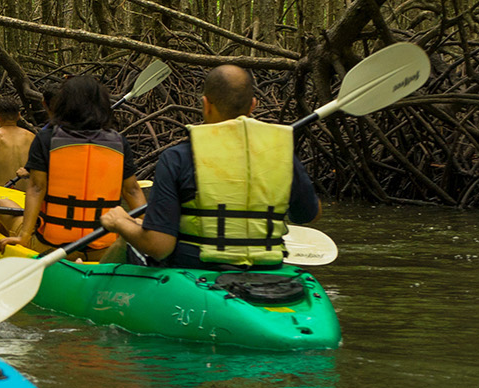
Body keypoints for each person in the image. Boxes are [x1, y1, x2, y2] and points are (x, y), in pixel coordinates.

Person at [96, 65, 321, 270]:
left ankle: (91, 278)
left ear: (205, 104)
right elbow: (307, 214)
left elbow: (159, 245)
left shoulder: (177, 157)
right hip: (269, 270)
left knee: (128, 235)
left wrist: (120, 223)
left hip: (196, 270)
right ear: (253, 106)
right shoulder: (280, 153)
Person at [0, 75, 146, 261]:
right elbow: (132, 190)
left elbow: (36, 188)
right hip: (103, 248)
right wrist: (146, 237)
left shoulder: (46, 139)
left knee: (2, 204)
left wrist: (24, 236)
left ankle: (0, 253)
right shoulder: (118, 142)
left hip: (51, 247)